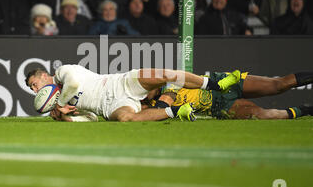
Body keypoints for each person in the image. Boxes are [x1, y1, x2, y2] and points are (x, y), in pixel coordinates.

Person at [25, 64, 241, 122]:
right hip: (109, 107)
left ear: (44, 75)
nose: (35, 91)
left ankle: (214, 84)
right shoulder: (59, 105)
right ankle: (177, 112)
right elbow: (91, 118)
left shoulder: (62, 72)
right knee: (128, 118)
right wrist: (67, 119)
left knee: (166, 74)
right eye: (32, 89)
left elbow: (72, 84)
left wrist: (61, 103)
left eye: (34, 84)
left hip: (119, 83)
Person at [147, 70, 313, 120]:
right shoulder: (149, 104)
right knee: (262, 114)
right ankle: (306, 110)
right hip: (219, 107)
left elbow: (166, 100)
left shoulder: (167, 79)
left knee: (279, 84)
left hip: (222, 83)